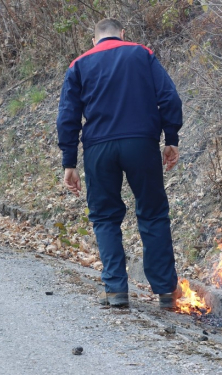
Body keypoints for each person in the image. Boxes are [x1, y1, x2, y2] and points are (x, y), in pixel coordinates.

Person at [57, 18, 183, 309]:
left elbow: (67, 116)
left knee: (104, 216)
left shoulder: (79, 64)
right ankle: (165, 291)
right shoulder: (141, 53)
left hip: (98, 148)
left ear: (94, 40)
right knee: (152, 212)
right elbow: (169, 97)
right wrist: (171, 138)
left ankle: (115, 290)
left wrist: (69, 162)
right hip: (141, 143)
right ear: (122, 34)